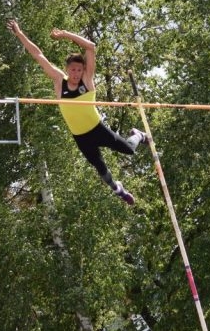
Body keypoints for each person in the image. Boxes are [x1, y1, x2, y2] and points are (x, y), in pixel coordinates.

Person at [7, 19, 144, 205]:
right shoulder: (59, 81)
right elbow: (38, 55)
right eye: (73, 69)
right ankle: (118, 189)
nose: (76, 73)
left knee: (129, 150)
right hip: (81, 137)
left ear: (83, 70)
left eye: (79, 69)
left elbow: (91, 47)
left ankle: (137, 135)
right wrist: (19, 33)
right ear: (67, 69)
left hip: (98, 129)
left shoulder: (87, 81)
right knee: (103, 172)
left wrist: (64, 34)